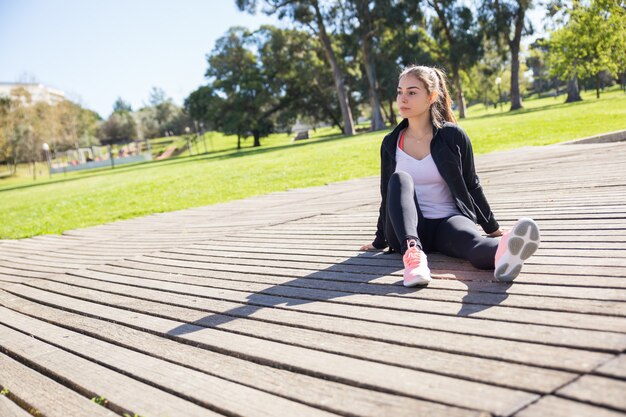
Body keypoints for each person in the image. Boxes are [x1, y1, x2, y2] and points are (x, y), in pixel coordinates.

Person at [360, 65, 540, 287]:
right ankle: (414, 258)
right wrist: (379, 241)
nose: (402, 98)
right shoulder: (390, 143)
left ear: (432, 97)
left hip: (447, 221)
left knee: (473, 244)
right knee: (399, 180)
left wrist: (491, 228)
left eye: (412, 92)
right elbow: (387, 196)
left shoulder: (452, 136)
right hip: (405, 231)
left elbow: (471, 184)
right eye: (400, 91)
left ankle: (505, 251)